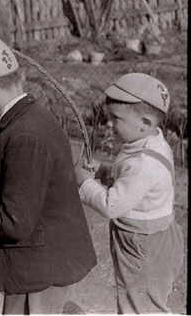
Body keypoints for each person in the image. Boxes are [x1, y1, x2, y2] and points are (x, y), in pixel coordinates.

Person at [0, 33, 97, 314]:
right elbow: (25, 181)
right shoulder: (31, 116)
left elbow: (15, 221)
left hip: (40, 269)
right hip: (36, 262)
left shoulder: (24, 136)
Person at [74, 73, 183, 313]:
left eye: (115, 118)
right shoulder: (150, 142)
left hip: (143, 245)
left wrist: (84, 184)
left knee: (138, 305)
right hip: (155, 237)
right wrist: (103, 172)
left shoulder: (144, 163)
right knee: (144, 300)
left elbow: (111, 205)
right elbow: (132, 183)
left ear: (144, 123)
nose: (108, 124)